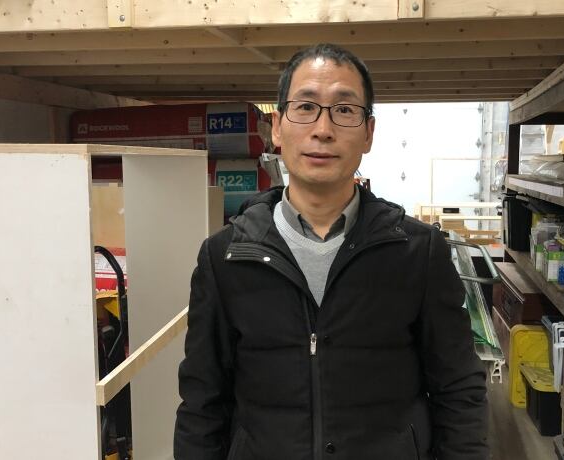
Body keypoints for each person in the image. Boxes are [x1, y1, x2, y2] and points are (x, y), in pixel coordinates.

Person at [174, 43, 488, 460]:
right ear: (277, 128)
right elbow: (202, 404)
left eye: (344, 110)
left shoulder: (418, 253)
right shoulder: (224, 257)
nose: (323, 129)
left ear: (369, 133)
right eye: (305, 107)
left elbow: (459, 391)